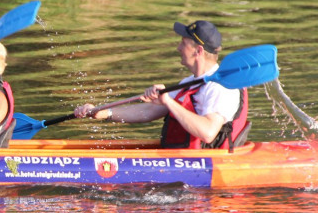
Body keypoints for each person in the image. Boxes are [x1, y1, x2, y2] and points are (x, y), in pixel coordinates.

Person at [74, 20, 249, 149]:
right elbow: (149, 111)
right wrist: (104, 112)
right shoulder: (189, 83)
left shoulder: (221, 87)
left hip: (210, 165)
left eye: (183, 43)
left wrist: (168, 102)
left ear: (199, 51)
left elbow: (208, 133)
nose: (178, 48)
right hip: (185, 160)